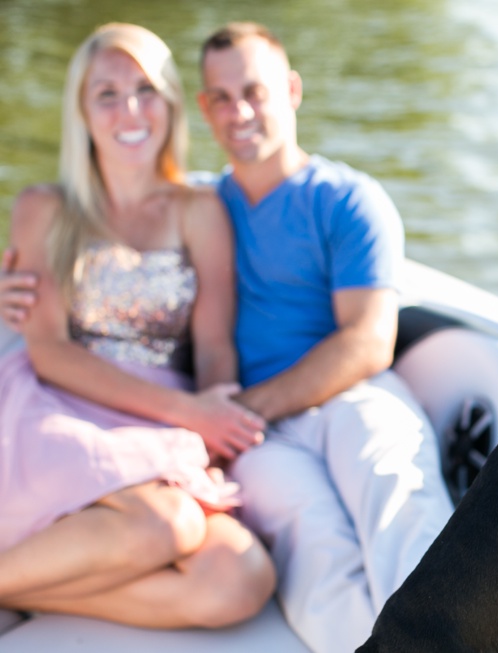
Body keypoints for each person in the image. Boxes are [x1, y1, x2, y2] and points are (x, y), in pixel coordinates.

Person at [0, 23, 275, 628]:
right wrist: (191, 414)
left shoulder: (199, 212)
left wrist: (214, 421)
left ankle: (21, 582)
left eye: (146, 89)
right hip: (60, 403)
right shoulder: (43, 208)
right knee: (167, 524)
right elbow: (47, 350)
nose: (130, 109)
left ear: (172, 104)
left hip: (164, 420)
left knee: (239, 578)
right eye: (106, 93)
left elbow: (212, 348)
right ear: (81, 111)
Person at [194, 23, 455, 651]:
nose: (240, 112)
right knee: (314, 549)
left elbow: (367, 342)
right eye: (221, 98)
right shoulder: (196, 207)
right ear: (204, 108)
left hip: (349, 394)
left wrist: (236, 414)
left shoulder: (348, 201)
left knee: (398, 500)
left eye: (254, 91)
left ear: (290, 90)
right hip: (257, 432)